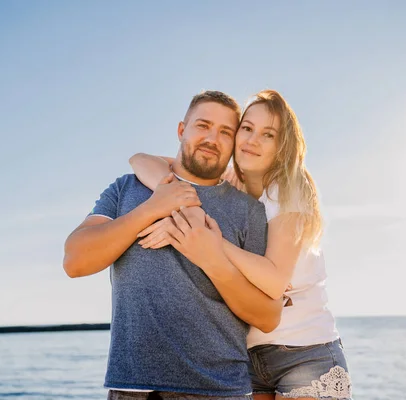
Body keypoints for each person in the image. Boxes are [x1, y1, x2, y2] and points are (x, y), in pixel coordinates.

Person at [130, 90, 353, 400]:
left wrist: (207, 240)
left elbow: (274, 281)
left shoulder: (288, 188)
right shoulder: (233, 184)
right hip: (246, 357)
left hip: (304, 351)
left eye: (268, 134)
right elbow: (142, 160)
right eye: (247, 129)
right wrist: (181, 205)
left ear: (282, 145)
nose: (253, 140)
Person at [63, 90, 284, 400]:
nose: (212, 138)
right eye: (202, 125)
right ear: (182, 130)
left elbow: (267, 316)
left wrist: (211, 258)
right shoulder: (127, 187)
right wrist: (154, 208)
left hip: (218, 391)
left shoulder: (249, 210)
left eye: (225, 132)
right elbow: (74, 262)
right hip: (132, 388)